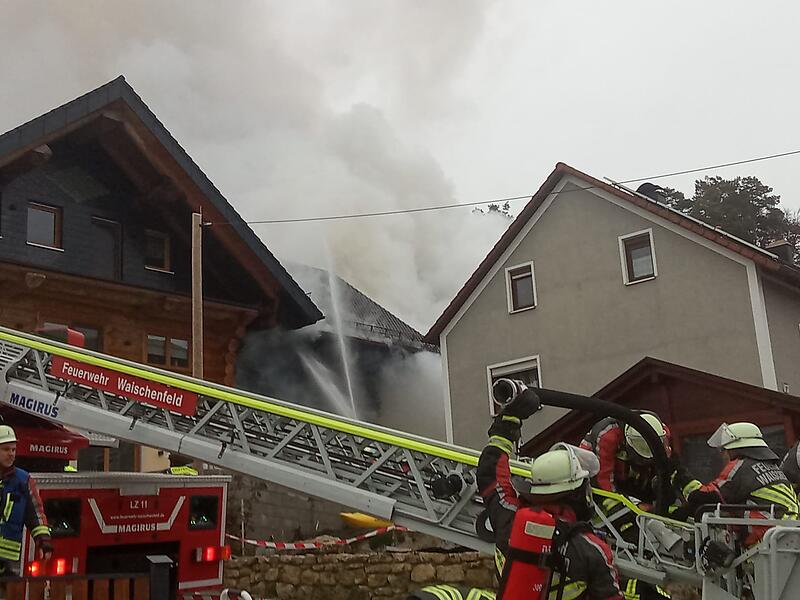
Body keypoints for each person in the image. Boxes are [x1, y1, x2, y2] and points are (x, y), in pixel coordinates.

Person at [475, 388, 622, 599]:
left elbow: (491, 474)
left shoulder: (510, 520)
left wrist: (507, 423)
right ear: (576, 492)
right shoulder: (591, 549)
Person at [580, 413, 674, 600]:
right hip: (597, 491)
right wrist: (633, 515)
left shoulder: (660, 434)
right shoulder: (607, 435)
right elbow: (602, 484)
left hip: (633, 487)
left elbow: (667, 471)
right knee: (631, 536)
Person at [675, 422, 799, 545]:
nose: (723, 455)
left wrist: (682, 476)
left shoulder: (740, 466)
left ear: (735, 449)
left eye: (724, 449)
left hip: (771, 538)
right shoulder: (772, 467)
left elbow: (707, 496)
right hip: (789, 532)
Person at [0, 425, 52, 576]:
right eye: (6, 449)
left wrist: (44, 541)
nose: (11, 454)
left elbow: (36, 514)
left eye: (13, 450)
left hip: (9, 564)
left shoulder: (23, 481)